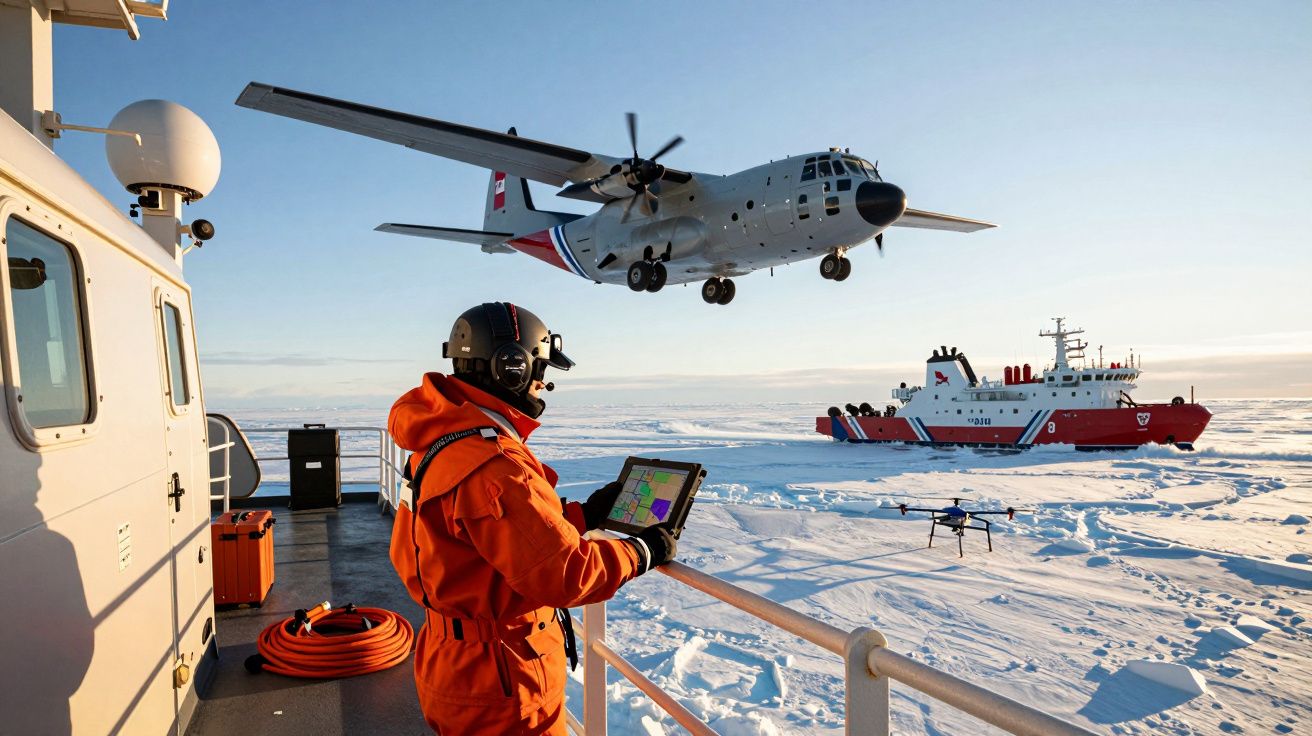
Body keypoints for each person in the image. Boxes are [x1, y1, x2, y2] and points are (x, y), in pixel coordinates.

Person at [389, 302, 676, 734]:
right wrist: (643, 551)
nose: (543, 384)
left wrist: (579, 515)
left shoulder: (443, 440)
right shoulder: (495, 464)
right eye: (540, 369)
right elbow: (564, 574)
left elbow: (487, 535)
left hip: (451, 660)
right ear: (512, 368)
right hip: (501, 677)